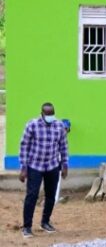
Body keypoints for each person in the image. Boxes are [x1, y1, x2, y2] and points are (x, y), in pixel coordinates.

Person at [19, 102, 68, 238]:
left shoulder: (59, 126)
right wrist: (23, 168)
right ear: (42, 113)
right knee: (32, 195)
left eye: (52, 113)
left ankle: (45, 221)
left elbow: (63, 147)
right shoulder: (32, 125)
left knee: (51, 196)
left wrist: (65, 166)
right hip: (35, 166)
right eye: (47, 114)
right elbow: (24, 146)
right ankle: (27, 227)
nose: (50, 116)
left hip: (52, 165)